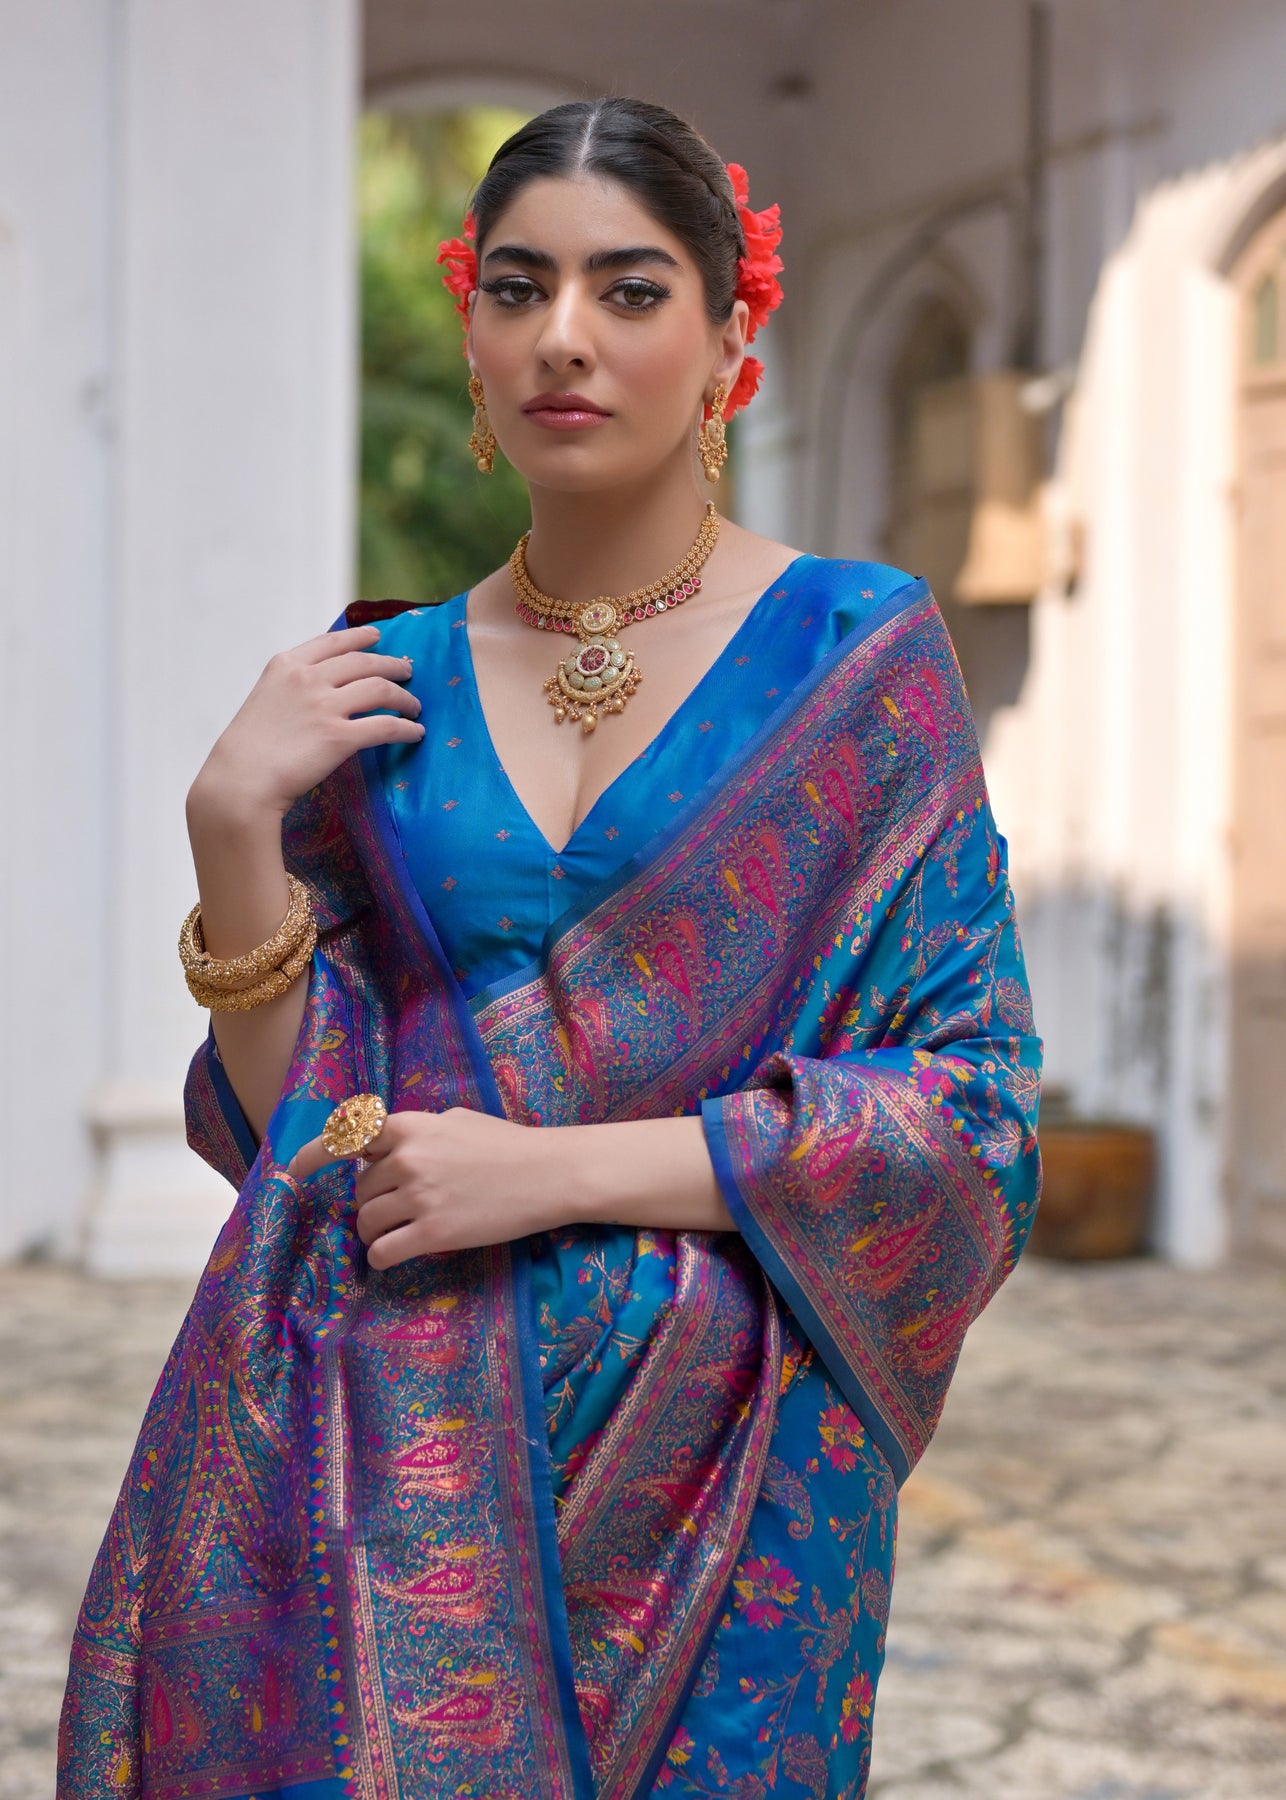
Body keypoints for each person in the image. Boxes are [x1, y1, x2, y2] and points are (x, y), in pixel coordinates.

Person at [58, 97, 1042, 1800]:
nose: (561, 338)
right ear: (473, 337)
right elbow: (307, 1134)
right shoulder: (382, 683)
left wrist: (549, 1174)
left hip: (730, 1449)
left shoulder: (851, 659)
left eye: (629, 290)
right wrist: (229, 826)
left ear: (730, 338)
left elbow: (971, 1112)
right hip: (386, 1431)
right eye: (515, 289)